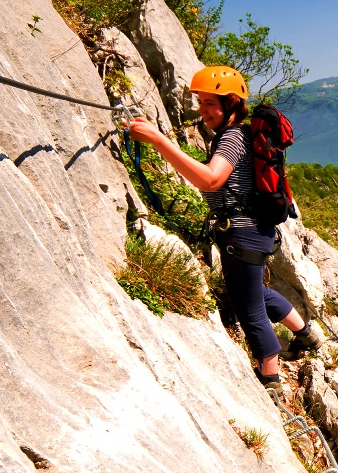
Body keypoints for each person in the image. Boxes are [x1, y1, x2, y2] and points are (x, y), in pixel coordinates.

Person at [126, 66, 322, 393]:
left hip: (241, 233)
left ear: (231, 103)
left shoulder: (232, 137)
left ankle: (270, 379)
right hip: (252, 231)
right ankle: (306, 334)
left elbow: (212, 179)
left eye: (209, 104)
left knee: (249, 308)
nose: (202, 111)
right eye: (200, 103)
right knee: (254, 292)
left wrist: (158, 140)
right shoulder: (239, 134)